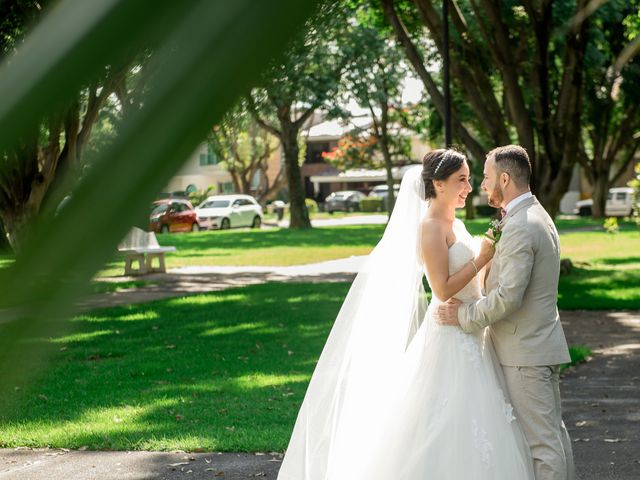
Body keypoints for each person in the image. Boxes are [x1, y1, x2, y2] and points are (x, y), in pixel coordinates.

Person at [277, 149, 536, 480]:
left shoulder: (455, 222)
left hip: (472, 330)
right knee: (443, 419)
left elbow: (472, 282)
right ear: (437, 184)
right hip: (449, 334)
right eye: (461, 180)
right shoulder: (430, 227)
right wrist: (484, 256)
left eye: (470, 179)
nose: (469, 187)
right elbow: (441, 289)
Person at [435, 145, 575, 480]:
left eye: (485, 177)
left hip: (525, 352)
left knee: (541, 445)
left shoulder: (522, 225)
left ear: (505, 179)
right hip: (535, 345)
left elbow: (508, 297)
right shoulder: (531, 215)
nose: (482, 185)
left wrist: (463, 317)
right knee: (552, 436)